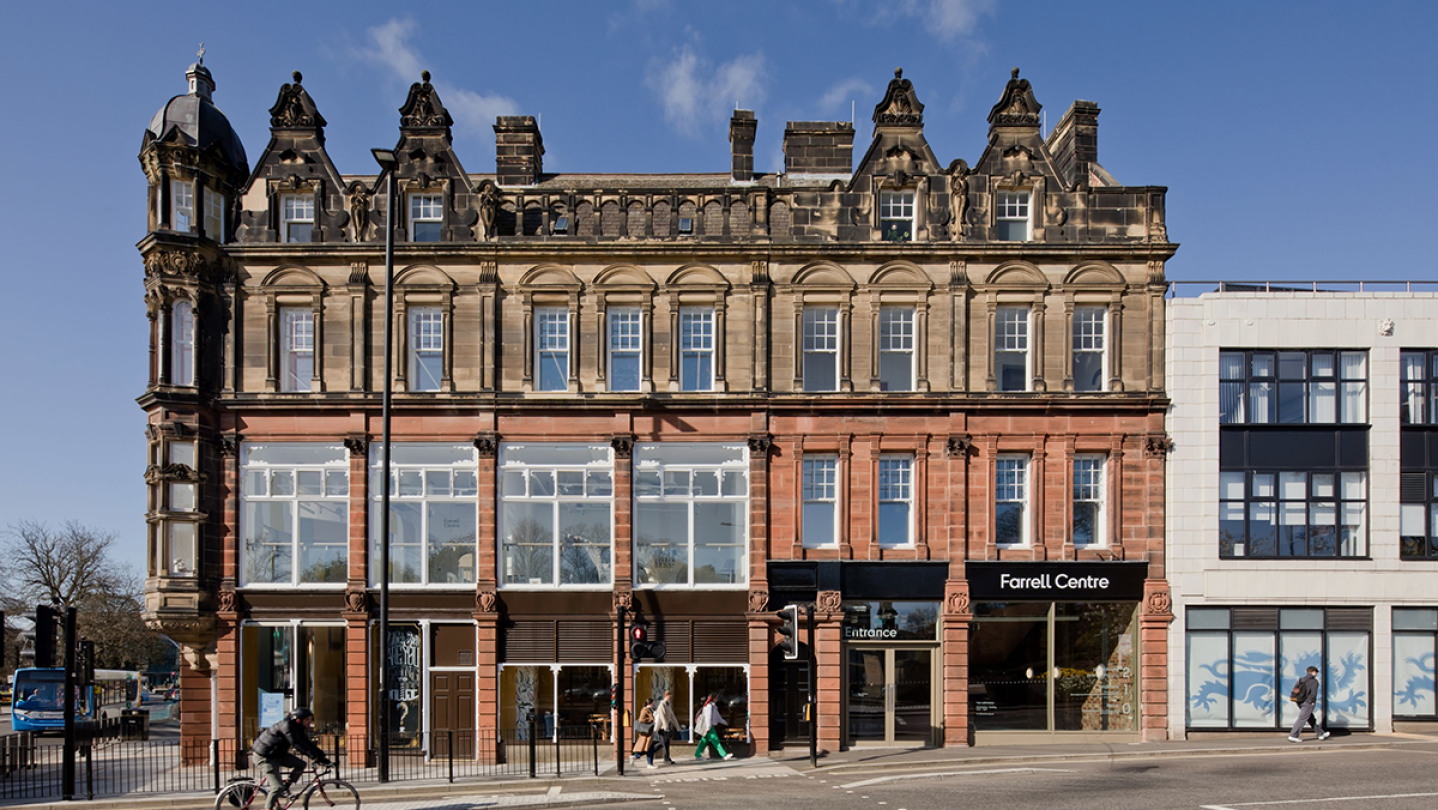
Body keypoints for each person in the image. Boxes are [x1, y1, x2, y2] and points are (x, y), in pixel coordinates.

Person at [252, 708, 331, 809]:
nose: (310, 722)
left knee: (301, 764)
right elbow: (297, 744)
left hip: (278, 754)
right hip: (265, 758)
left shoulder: (297, 727)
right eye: (307, 720)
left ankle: (286, 786)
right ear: (298, 720)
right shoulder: (287, 726)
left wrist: (322, 757)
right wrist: (314, 757)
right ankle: (269, 807)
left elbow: (306, 742)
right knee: (277, 787)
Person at [1287, 666, 1331, 743]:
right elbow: (1313, 693)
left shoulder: (1300, 680)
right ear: (1313, 672)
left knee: (1310, 718)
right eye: (1316, 672)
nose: (1316, 673)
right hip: (1308, 702)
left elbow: (1295, 690)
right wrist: (1312, 701)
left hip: (1299, 701)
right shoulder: (1314, 681)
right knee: (1302, 719)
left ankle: (1320, 733)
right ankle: (1293, 735)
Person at [692, 694, 733, 761]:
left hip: (710, 726)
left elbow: (718, 717)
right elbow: (708, 717)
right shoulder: (709, 706)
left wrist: (725, 722)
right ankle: (724, 755)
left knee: (704, 741)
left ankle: (697, 755)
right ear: (713, 698)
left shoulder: (713, 706)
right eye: (716, 698)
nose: (717, 699)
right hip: (709, 726)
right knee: (715, 740)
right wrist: (708, 727)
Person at [653, 690, 679, 765]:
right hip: (662, 728)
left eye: (670, 695)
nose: (670, 697)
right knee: (662, 743)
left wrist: (677, 726)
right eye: (668, 696)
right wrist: (666, 727)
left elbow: (672, 716)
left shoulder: (668, 705)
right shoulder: (662, 704)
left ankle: (667, 758)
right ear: (665, 696)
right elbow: (662, 717)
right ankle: (650, 752)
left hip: (666, 727)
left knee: (666, 743)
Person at [632, 698, 658, 769]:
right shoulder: (645, 709)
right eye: (653, 703)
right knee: (649, 748)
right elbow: (641, 719)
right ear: (651, 703)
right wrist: (651, 720)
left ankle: (636, 756)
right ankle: (649, 764)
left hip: (649, 732)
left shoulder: (650, 709)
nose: (653, 704)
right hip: (647, 732)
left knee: (649, 748)